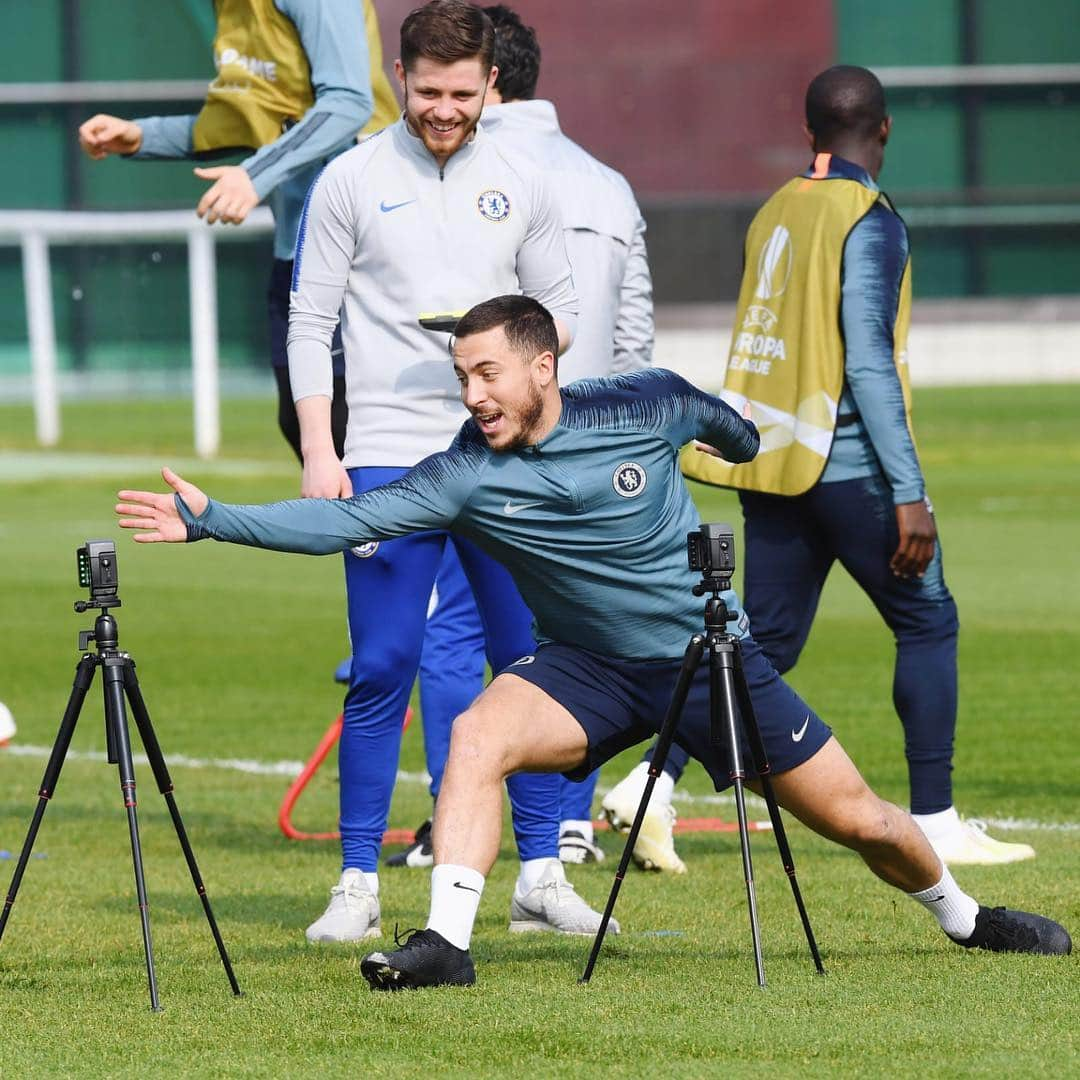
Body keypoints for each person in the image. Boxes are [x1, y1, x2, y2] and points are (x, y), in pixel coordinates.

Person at [115, 294, 1072, 992]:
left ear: (542, 368)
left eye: (487, 372)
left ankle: (965, 918)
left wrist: (734, 439)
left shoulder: (643, 402)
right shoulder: (463, 472)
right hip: (582, 668)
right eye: (462, 375)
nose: (473, 392)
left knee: (861, 819)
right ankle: (447, 945)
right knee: (479, 738)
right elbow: (347, 520)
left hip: (707, 659)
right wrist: (213, 522)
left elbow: (726, 429)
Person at [612, 64, 1036, 871]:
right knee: (927, 619)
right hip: (844, 464)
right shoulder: (868, 217)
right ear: (883, 133)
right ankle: (937, 819)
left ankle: (651, 787)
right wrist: (910, 494)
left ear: (810, 134)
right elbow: (869, 363)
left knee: (760, 637)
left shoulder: (776, 209)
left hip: (770, 461)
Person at [286, 0, 606, 943]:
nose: (443, 110)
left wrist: (519, 378)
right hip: (385, 448)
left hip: (504, 455)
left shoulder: (525, 178)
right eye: (427, 92)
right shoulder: (347, 179)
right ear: (401, 76)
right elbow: (309, 323)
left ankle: (541, 876)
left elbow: (562, 319)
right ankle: (356, 884)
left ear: (489, 86)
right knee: (383, 663)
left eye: (462, 94)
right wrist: (319, 448)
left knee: (531, 667)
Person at [391, 2, 655, 873]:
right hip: (608, 442)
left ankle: (453, 817)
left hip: (511, 440)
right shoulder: (609, 180)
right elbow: (638, 330)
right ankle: (565, 828)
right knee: (591, 629)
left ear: (486, 80)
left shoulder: (481, 181)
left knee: (459, 632)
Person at [77, 0, 399, 462]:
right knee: (302, 422)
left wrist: (253, 175)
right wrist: (140, 137)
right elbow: (243, 122)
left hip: (362, 251)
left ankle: (402, 535)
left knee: (350, 430)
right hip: (298, 250)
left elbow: (348, 103)